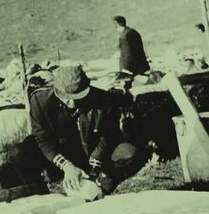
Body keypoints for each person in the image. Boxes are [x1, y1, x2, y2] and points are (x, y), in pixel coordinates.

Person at [11, 65, 142, 195]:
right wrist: (66, 166)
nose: (72, 103)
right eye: (67, 97)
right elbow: (42, 139)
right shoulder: (40, 101)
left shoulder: (104, 100)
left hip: (90, 152)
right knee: (20, 153)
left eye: (78, 97)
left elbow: (107, 137)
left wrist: (94, 169)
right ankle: (42, 195)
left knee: (130, 153)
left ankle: (100, 190)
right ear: (57, 90)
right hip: (59, 152)